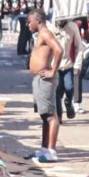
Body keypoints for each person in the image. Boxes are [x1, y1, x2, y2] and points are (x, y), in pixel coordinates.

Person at [27, 10, 65, 163]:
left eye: (30, 22)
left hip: (45, 79)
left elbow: (59, 50)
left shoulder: (45, 33)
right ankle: (44, 148)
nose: (28, 25)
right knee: (44, 115)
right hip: (39, 78)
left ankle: (51, 151)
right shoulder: (40, 35)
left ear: (38, 21)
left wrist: (53, 70)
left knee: (50, 115)